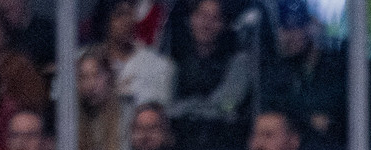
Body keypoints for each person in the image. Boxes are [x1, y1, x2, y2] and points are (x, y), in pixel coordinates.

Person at [259, 0, 343, 136]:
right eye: (283, 28)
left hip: (335, 148)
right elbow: (270, 106)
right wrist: (307, 118)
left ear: (311, 28)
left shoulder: (337, 66)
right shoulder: (279, 68)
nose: (286, 36)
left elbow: (336, 112)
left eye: (293, 28)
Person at [167, 0, 254, 129]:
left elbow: (227, 105)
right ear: (190, 19)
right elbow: (168, 107)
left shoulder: (240, 62)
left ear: (224, 24)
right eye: (201, 16)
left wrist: (188, 108)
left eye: (215, 18)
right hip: (181, 135)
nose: (206, 24)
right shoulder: (174, 61)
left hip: (223, 136)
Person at [96, 0, 176, 111]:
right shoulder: (91, 62)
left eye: (129, 14)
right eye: (119, 15)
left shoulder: (158, 65)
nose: (126, 21)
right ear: (105, 21)